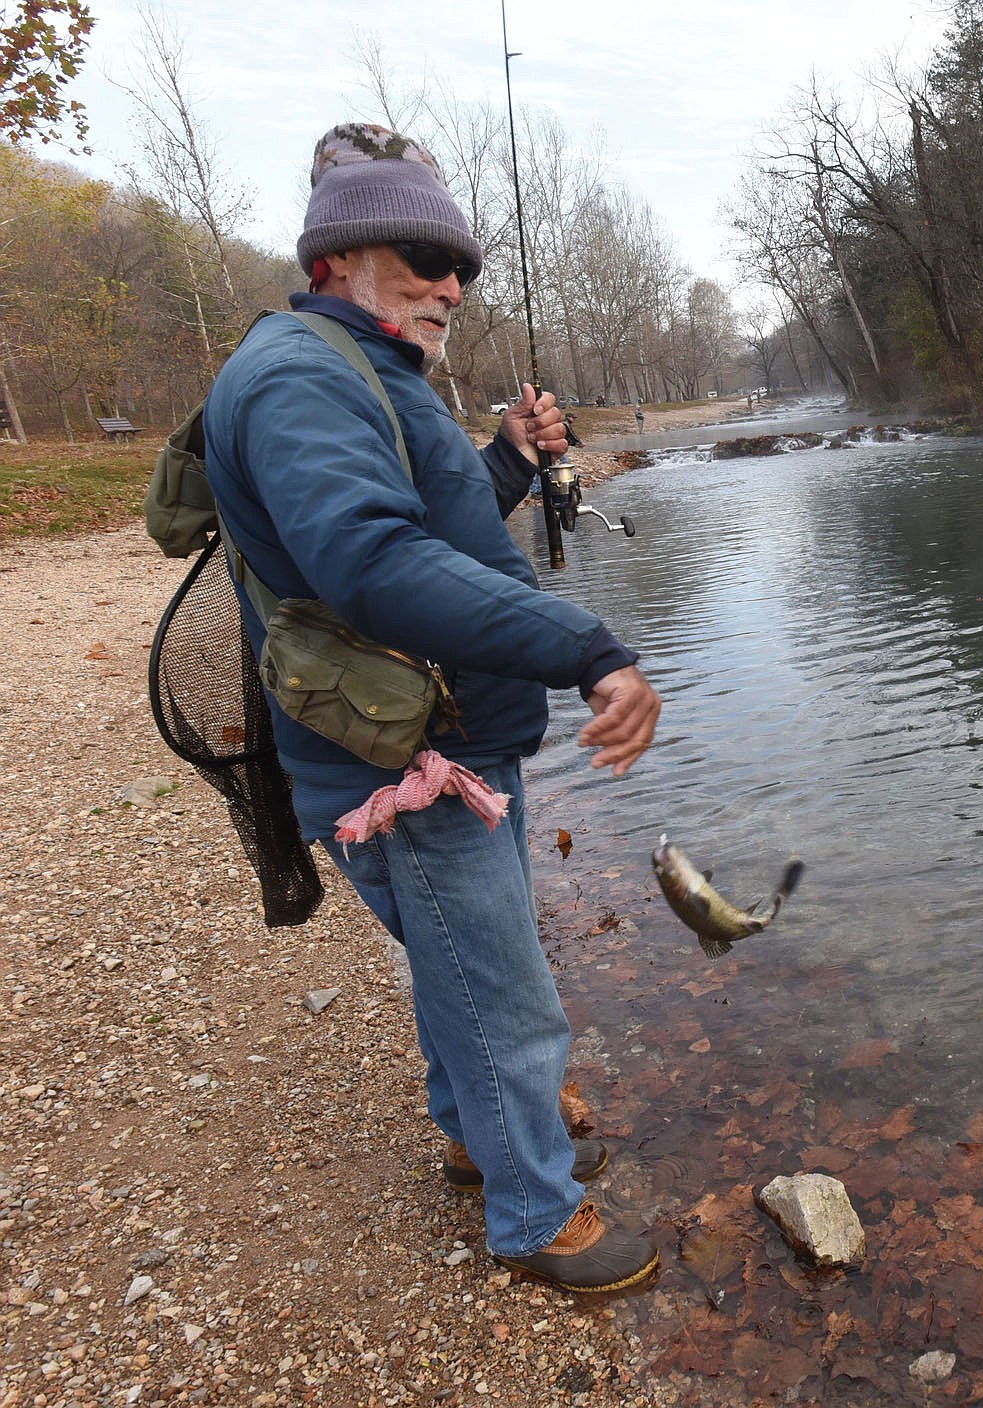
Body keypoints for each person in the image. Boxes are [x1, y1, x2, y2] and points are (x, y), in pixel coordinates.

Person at [202, 123, 662, 1295]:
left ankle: (478, 1137)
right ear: (335, 256)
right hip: (412, 762)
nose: (449, 281)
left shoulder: (360, 368)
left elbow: (425, 532)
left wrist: (503, 462)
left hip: (440, 735)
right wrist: (587, 648)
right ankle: (534, 1214)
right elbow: (370, 562)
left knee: (462, 964)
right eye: (420, 252)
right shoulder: (300, 373)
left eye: (460, 262)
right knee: (504, 995)